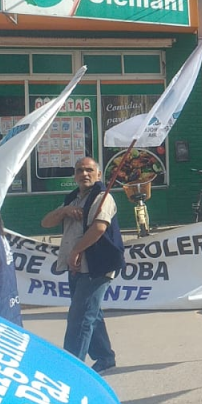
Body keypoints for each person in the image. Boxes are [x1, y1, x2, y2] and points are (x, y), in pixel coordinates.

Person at [40, 157, 125, 373]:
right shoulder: (72, 199)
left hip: (97, 265)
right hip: (76, 266)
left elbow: (98, 228)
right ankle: (105, 357)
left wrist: (76, 250)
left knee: (80, 316)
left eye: (89, 170)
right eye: (79, 170)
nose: (84, 174)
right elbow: (46, 222)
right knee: (90, 312)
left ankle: (71, 369)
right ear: (74, 176)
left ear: (98, 174)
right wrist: (64, 211)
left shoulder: (102, 197)